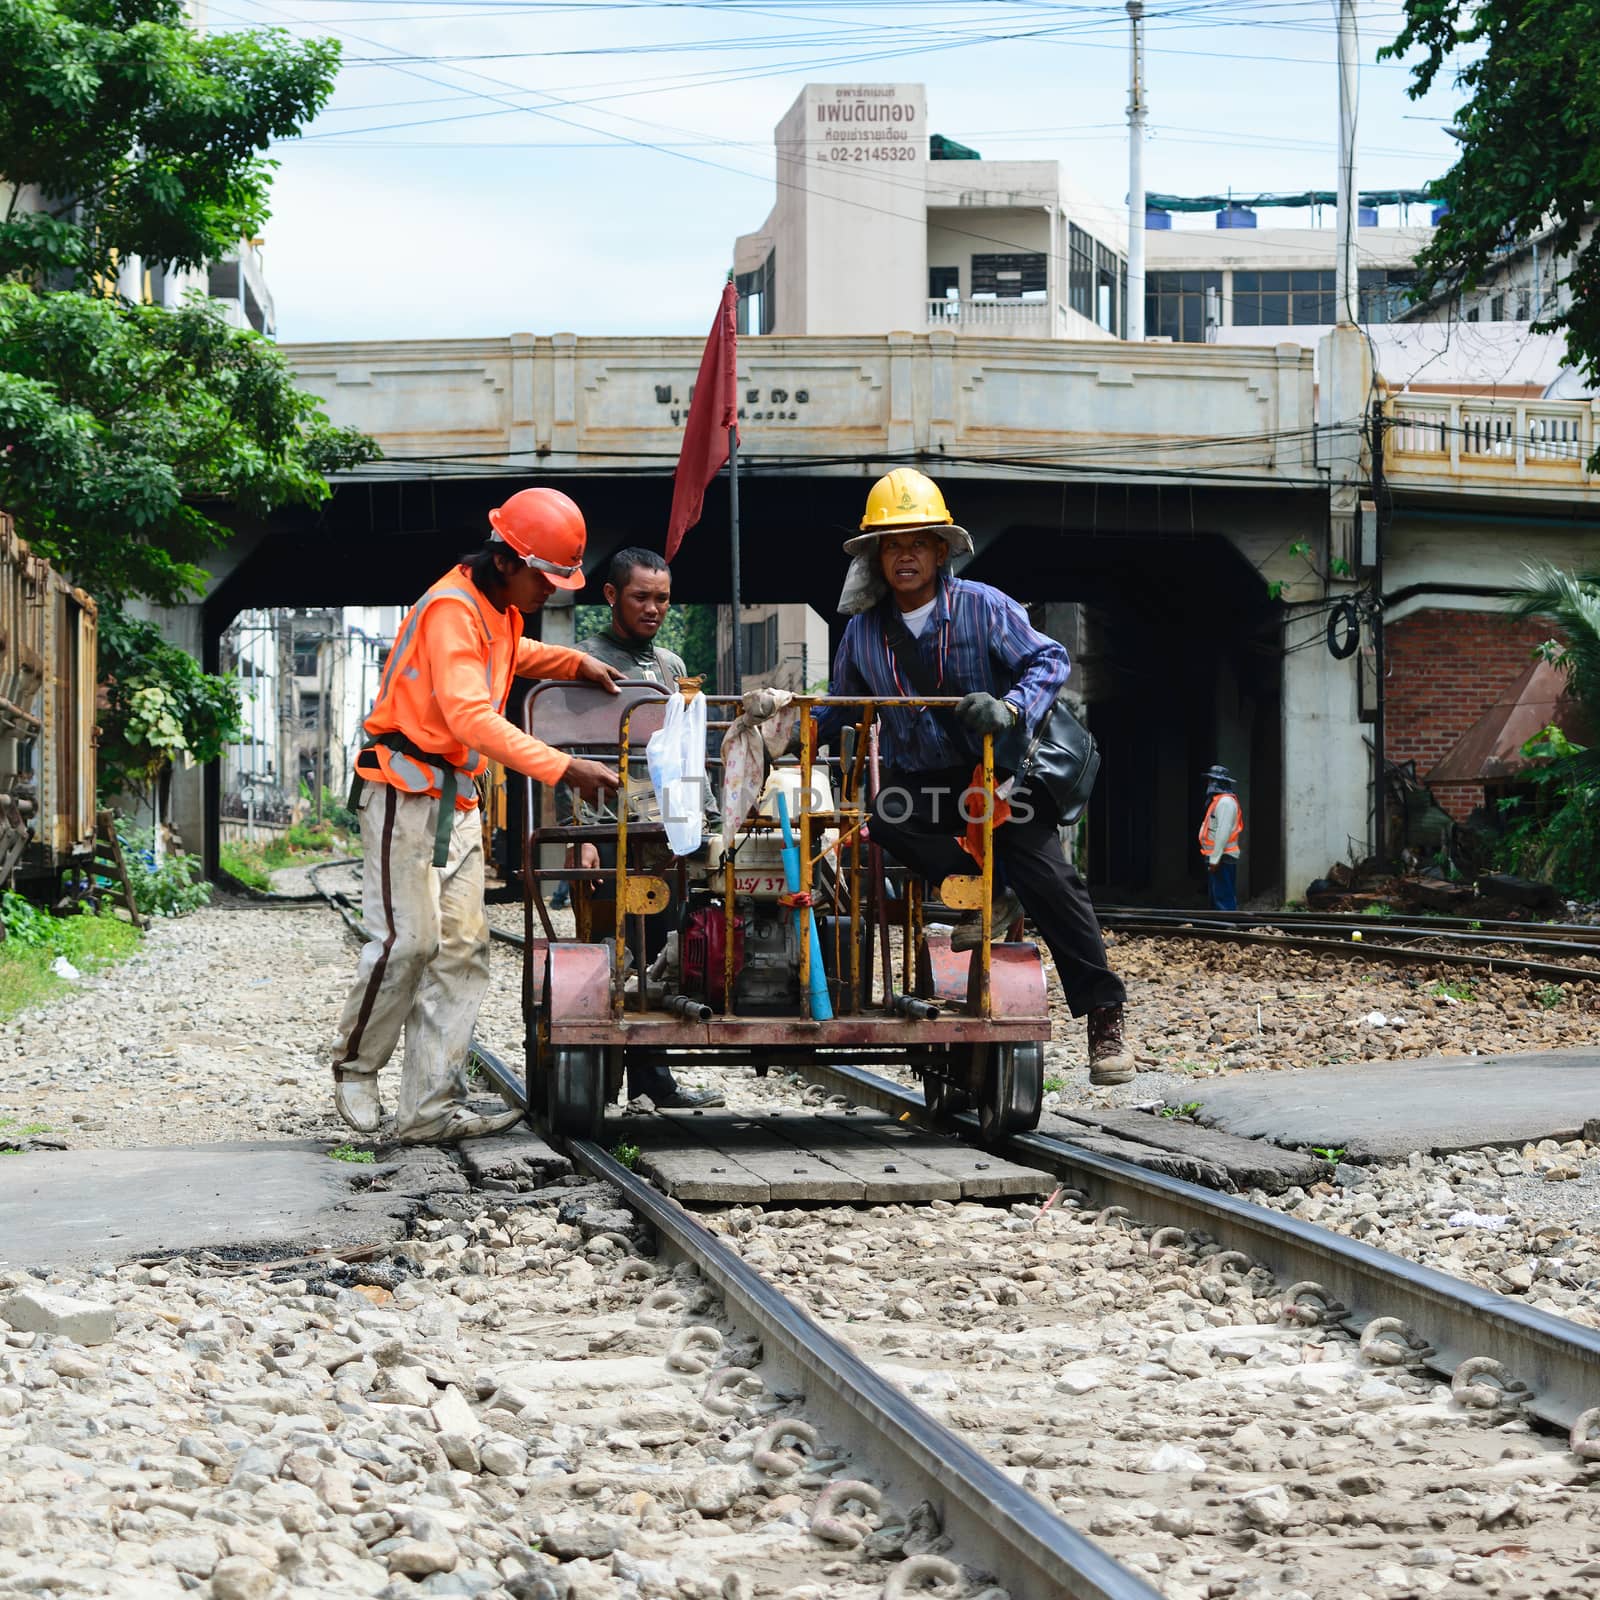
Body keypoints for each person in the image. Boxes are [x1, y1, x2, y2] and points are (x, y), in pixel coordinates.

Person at [813, 468, 1136, 1086]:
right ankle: (989, 889)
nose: (903, 555)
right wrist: (779, 721)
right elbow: (838, 708)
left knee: (1052, 875)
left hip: (995, 780)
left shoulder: (983, 607)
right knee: (885, 818)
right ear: (876, 557)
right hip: (923, 786)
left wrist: (1011, 707)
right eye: (890, 544)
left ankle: (1104, 1014)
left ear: (940, 550)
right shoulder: (861, 631)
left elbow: (1050, 658)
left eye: (916, 542)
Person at [330, 487, 624, 1143]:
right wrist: (561, 765)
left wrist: (575, 662)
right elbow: (469, 716)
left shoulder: (497, 609)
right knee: (409, 942)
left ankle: (427, 1110)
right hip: (405, 794)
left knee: (462, 948)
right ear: (508, 561)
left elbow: (510, 656)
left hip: (454, 800)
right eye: (546, 576)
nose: (552, 590)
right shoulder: (450, 608)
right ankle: (355, 1069)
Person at [564, 546, 724, 1109]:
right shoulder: (583, 661)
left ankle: (652, 1080)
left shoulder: (673, 667)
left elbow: (689, 752)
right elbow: (571, 755)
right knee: (612, 950)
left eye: (661, 598)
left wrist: (711, 821)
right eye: (641, 597)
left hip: (666, 834)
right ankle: (594, 1063)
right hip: (611, 830)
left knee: (667, 949)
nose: (653, 608)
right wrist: (580, 834)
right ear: (611, 596)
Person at [1199, 764, 1243, 911]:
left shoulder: (1225, 802)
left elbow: (1222, 832)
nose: (1209, 784)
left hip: (1222, 857)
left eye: (1212, 781)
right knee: (1217, 895)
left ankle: (1227, 926)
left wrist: (1215, 858)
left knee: (1223, 897)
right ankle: (1221, 928)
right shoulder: (1218, 801)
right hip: (1217, 856)